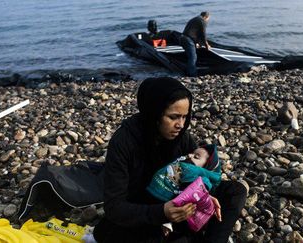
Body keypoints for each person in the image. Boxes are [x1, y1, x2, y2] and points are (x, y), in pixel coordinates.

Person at [93, 77, 247, 243]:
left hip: (179, 204)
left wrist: (205, 196)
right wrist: (162, 213)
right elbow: (114, 207)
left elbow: (196, 178)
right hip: (145, 211)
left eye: (184, 117)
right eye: (173, 117)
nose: (180, 125)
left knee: (235, 191)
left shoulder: (182, 137)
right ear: (155, 114)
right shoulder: (124, 142)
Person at [146, 144, 221, 236]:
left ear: (205, 168)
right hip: (155, 194)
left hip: (163, 200)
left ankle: (167, 223)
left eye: (196, 157)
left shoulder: (194, 171)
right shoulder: (183, 162)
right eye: (192, 153)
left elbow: (194, 190)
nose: (190, 155)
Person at [180, 12, 211, 77]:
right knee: (193, 57)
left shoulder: (195, 19)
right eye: (208, 19)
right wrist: (206, 45)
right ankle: (192, 74)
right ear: (206, 17)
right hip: (187, 39)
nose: (208, 21)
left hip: (183, 38)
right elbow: (203, 34)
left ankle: (186, 70)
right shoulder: (202, 21)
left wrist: (197, 43)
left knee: (189, 56)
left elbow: (194, 32)